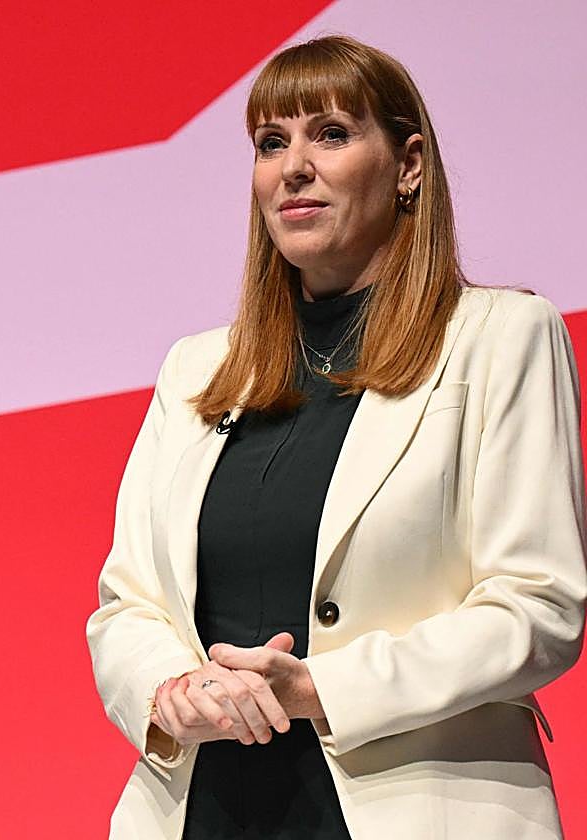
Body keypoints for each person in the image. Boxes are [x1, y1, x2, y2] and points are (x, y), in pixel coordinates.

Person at [86, 35, 586, 839]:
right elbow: (128, 606)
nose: (293, 167)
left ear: (409, 164)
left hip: (420, 810)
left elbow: (538, 608)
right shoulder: (195, 368)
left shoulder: (502, 337)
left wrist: (320, 689)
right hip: (203, 811)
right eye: (271, 143)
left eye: (331, 134)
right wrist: (171, 688)